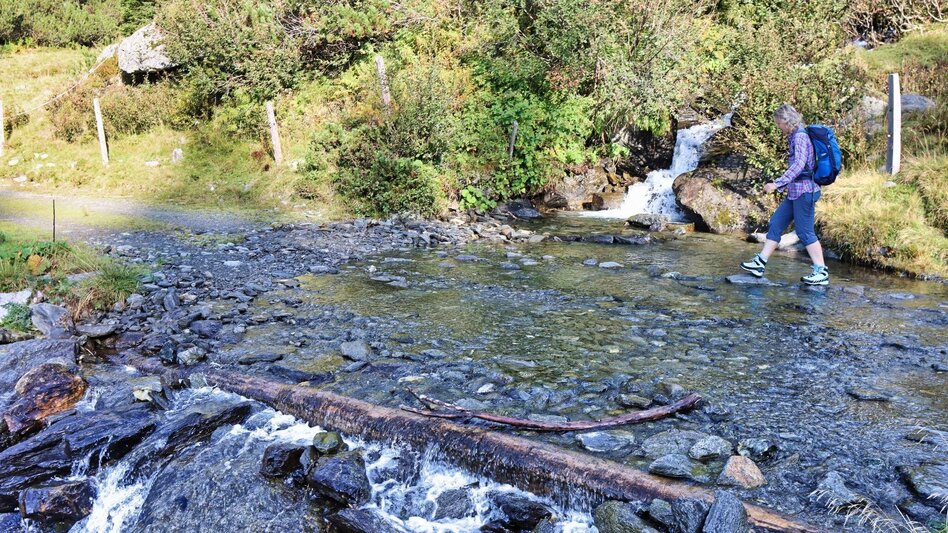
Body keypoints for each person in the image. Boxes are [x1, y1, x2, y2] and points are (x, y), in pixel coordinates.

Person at [740, 104, 829, 286]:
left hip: (806, 192)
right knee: (776, 223)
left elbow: (799, 165)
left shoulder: (801, 137)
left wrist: (777, 183)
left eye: (779, 123)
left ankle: (821, 271)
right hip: (795, 191)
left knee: (805, 233)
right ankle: (760, 263)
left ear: (787, 121)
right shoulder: (794, 136)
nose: (778, 126)